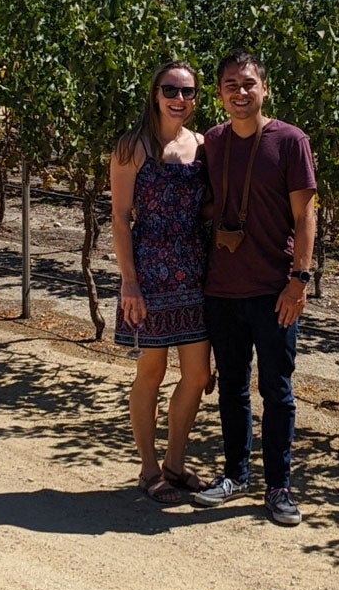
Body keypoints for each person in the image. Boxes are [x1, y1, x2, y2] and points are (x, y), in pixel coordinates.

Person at [191, 52, 317, 527]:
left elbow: (306, 214)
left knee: (277, 390)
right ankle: (234, 474)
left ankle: (279, 486)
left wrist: (298, 281)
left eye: (248, 84)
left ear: (264, 87)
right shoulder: (215, 142)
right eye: (230, 85)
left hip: (273, 291)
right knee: (232, 389)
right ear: (220, 94)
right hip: (222, 288)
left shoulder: (290, 142)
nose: (239, 93)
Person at [111, 61, 214, 504]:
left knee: (196, 375)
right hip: (150, 274)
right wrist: (129, 282)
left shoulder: (204, 146)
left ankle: (175, 463)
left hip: (194, 271)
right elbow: (119, 216)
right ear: (154, 93)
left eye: (188, 92)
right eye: (170, 89)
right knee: (150, 372)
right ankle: (148, 469)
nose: (179, 99)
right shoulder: (132, 148)